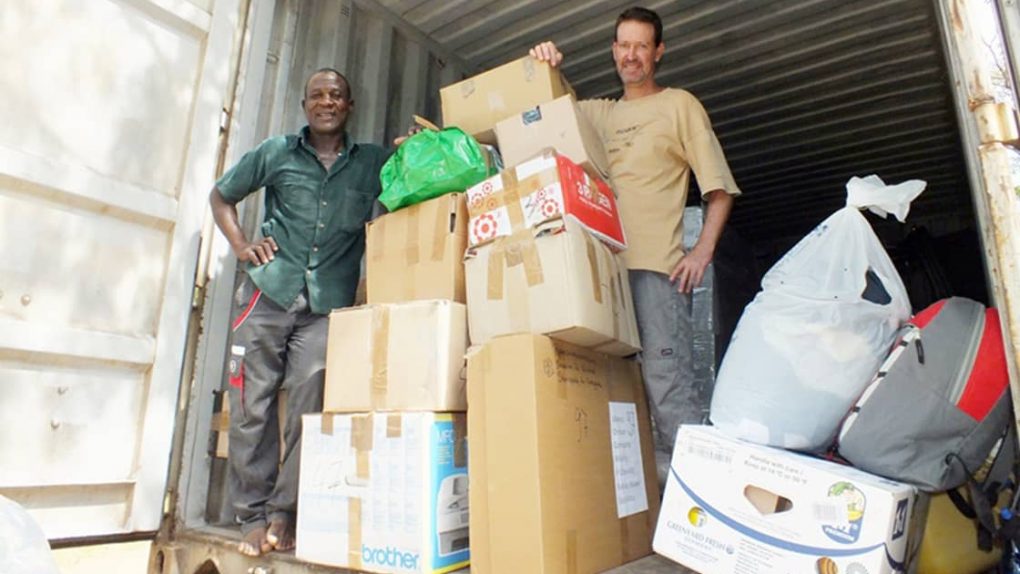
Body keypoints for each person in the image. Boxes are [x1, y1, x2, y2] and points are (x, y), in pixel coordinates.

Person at [531, 7, 741, 464]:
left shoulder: (678, 105)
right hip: (601, 271)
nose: (631, 55)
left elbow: (720, 191)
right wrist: (547, 66)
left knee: (667, 388)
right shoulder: (602, 114)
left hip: (655, 271)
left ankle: (693, 508)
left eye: (641, 46)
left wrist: (700, 252)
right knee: (609, 391)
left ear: (658, 52)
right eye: (624, 45)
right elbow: (549, 115)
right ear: (613, 51)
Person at [209, 68, 390, 556]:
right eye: (317, 95)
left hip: (324, 308)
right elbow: (221, 196)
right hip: (268, 294)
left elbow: (410, 182)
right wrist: (243, 245)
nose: (326, 102)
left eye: (336, 96)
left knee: (308, 406)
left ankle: (284, 512)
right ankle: (250, 514)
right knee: (251, 407)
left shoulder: (371, 162)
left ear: (349, 106)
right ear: (305, 104)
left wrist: (414, 145)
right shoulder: (275, 153)